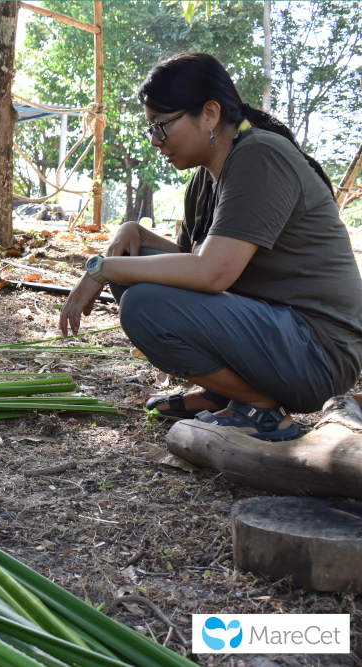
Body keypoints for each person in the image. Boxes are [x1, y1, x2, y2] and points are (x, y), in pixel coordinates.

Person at [59, 52, 362, 441]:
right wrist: (133, 232)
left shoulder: (260, 157)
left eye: (162, 127)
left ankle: (260, 409)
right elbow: (186, 267)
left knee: (143, 304)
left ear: (209, 114)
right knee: (132, 266)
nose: (155, 141)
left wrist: (100, 269)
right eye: (149, 128)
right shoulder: (205, 180)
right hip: (277, 332)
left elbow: (212, 272)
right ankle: (223, 392)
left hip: (317, 353)